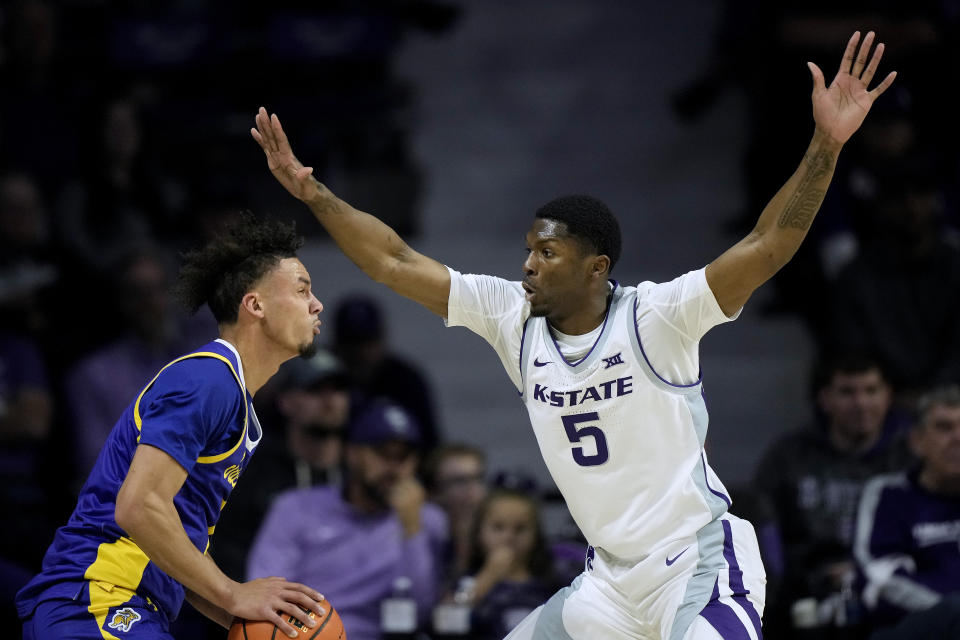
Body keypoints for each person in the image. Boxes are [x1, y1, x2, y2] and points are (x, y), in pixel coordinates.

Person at [252, 31, 896, 639]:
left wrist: (825, 145)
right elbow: (393, 261)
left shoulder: (658, 316)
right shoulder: (511, 317)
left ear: (596, 268)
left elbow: (768, 243)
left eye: (548, 253)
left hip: (693, 565)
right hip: (609, 582)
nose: (529, 264)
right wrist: (314, 193)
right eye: (529, 249)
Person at [15, 216, 327, 639]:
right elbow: (138, 507)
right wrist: (235, 594)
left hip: (132, 606)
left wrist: (247, 621)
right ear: (255, 305)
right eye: (303, 290)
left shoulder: (234, 400)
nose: (317, 304)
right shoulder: (208, 380)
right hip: (96, 599)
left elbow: (178, 544)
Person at [247, 399, 447, 640]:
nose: (395, 468)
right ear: (352, 453)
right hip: (309, 635)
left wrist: (412, 530)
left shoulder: (427, 519)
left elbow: (422, 611)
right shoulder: (296, 508)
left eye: (404, 456)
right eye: (384, 454)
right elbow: (263, 588)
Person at [752, 354, 913, 634]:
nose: (861, 403)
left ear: (888, 396)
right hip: (800, 598)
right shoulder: (788, 457)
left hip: (887, 596)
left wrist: (863, 572)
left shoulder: (910, 459)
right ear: (824, 399)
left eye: (871, 390)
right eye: (847, 392)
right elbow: (760, 529)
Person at [209, 347, 353, 582]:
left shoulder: (358, 469)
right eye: (314, 390)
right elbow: (228, 551)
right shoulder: (251, 471)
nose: (330, 401)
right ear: (285, 402)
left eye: (338, 390)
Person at [853, 385, 960, 639]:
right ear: (917, 441)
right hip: (908, 628)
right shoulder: (888, 495)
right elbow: (880, 579)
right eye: (944, 427)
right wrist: (950, 611)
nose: (958, 437)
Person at [461, 488, 559, 640]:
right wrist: (487, 576)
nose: (509, 537)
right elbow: (449, 617)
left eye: (520, 529)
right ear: (479, 533)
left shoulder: (551, 582)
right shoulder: (468, 579)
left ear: (536, 535)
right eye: (498, 527)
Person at [424, 444, 489, 584]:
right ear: (435, 492)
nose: (473, 489)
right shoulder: (427, 537)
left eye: (478, 478)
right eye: (460, 481)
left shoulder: (499, 532)